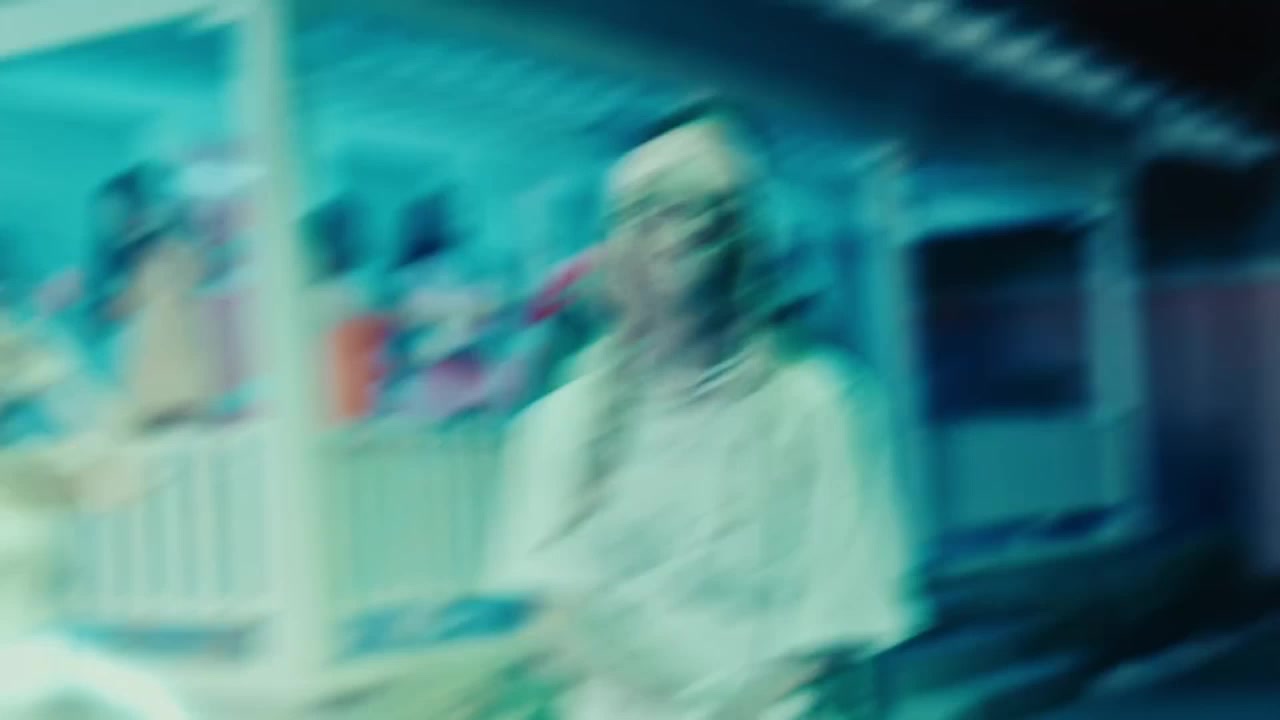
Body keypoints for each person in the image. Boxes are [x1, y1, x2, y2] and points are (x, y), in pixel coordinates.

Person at [483, 102, 929, 719]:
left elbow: (841, 627)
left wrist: (730, 708)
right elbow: (557, 616)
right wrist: (679, 701)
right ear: (616, 242)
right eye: (651, 208)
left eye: (711, 206)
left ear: (754, 237)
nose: (681, 230)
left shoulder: (826, 410)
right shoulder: (559, 425)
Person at [0, 305, 192, 719]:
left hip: (42, 665)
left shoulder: (26, 475)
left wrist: (52, 377)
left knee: (156, 706)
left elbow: (128, 472)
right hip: (26, 677)